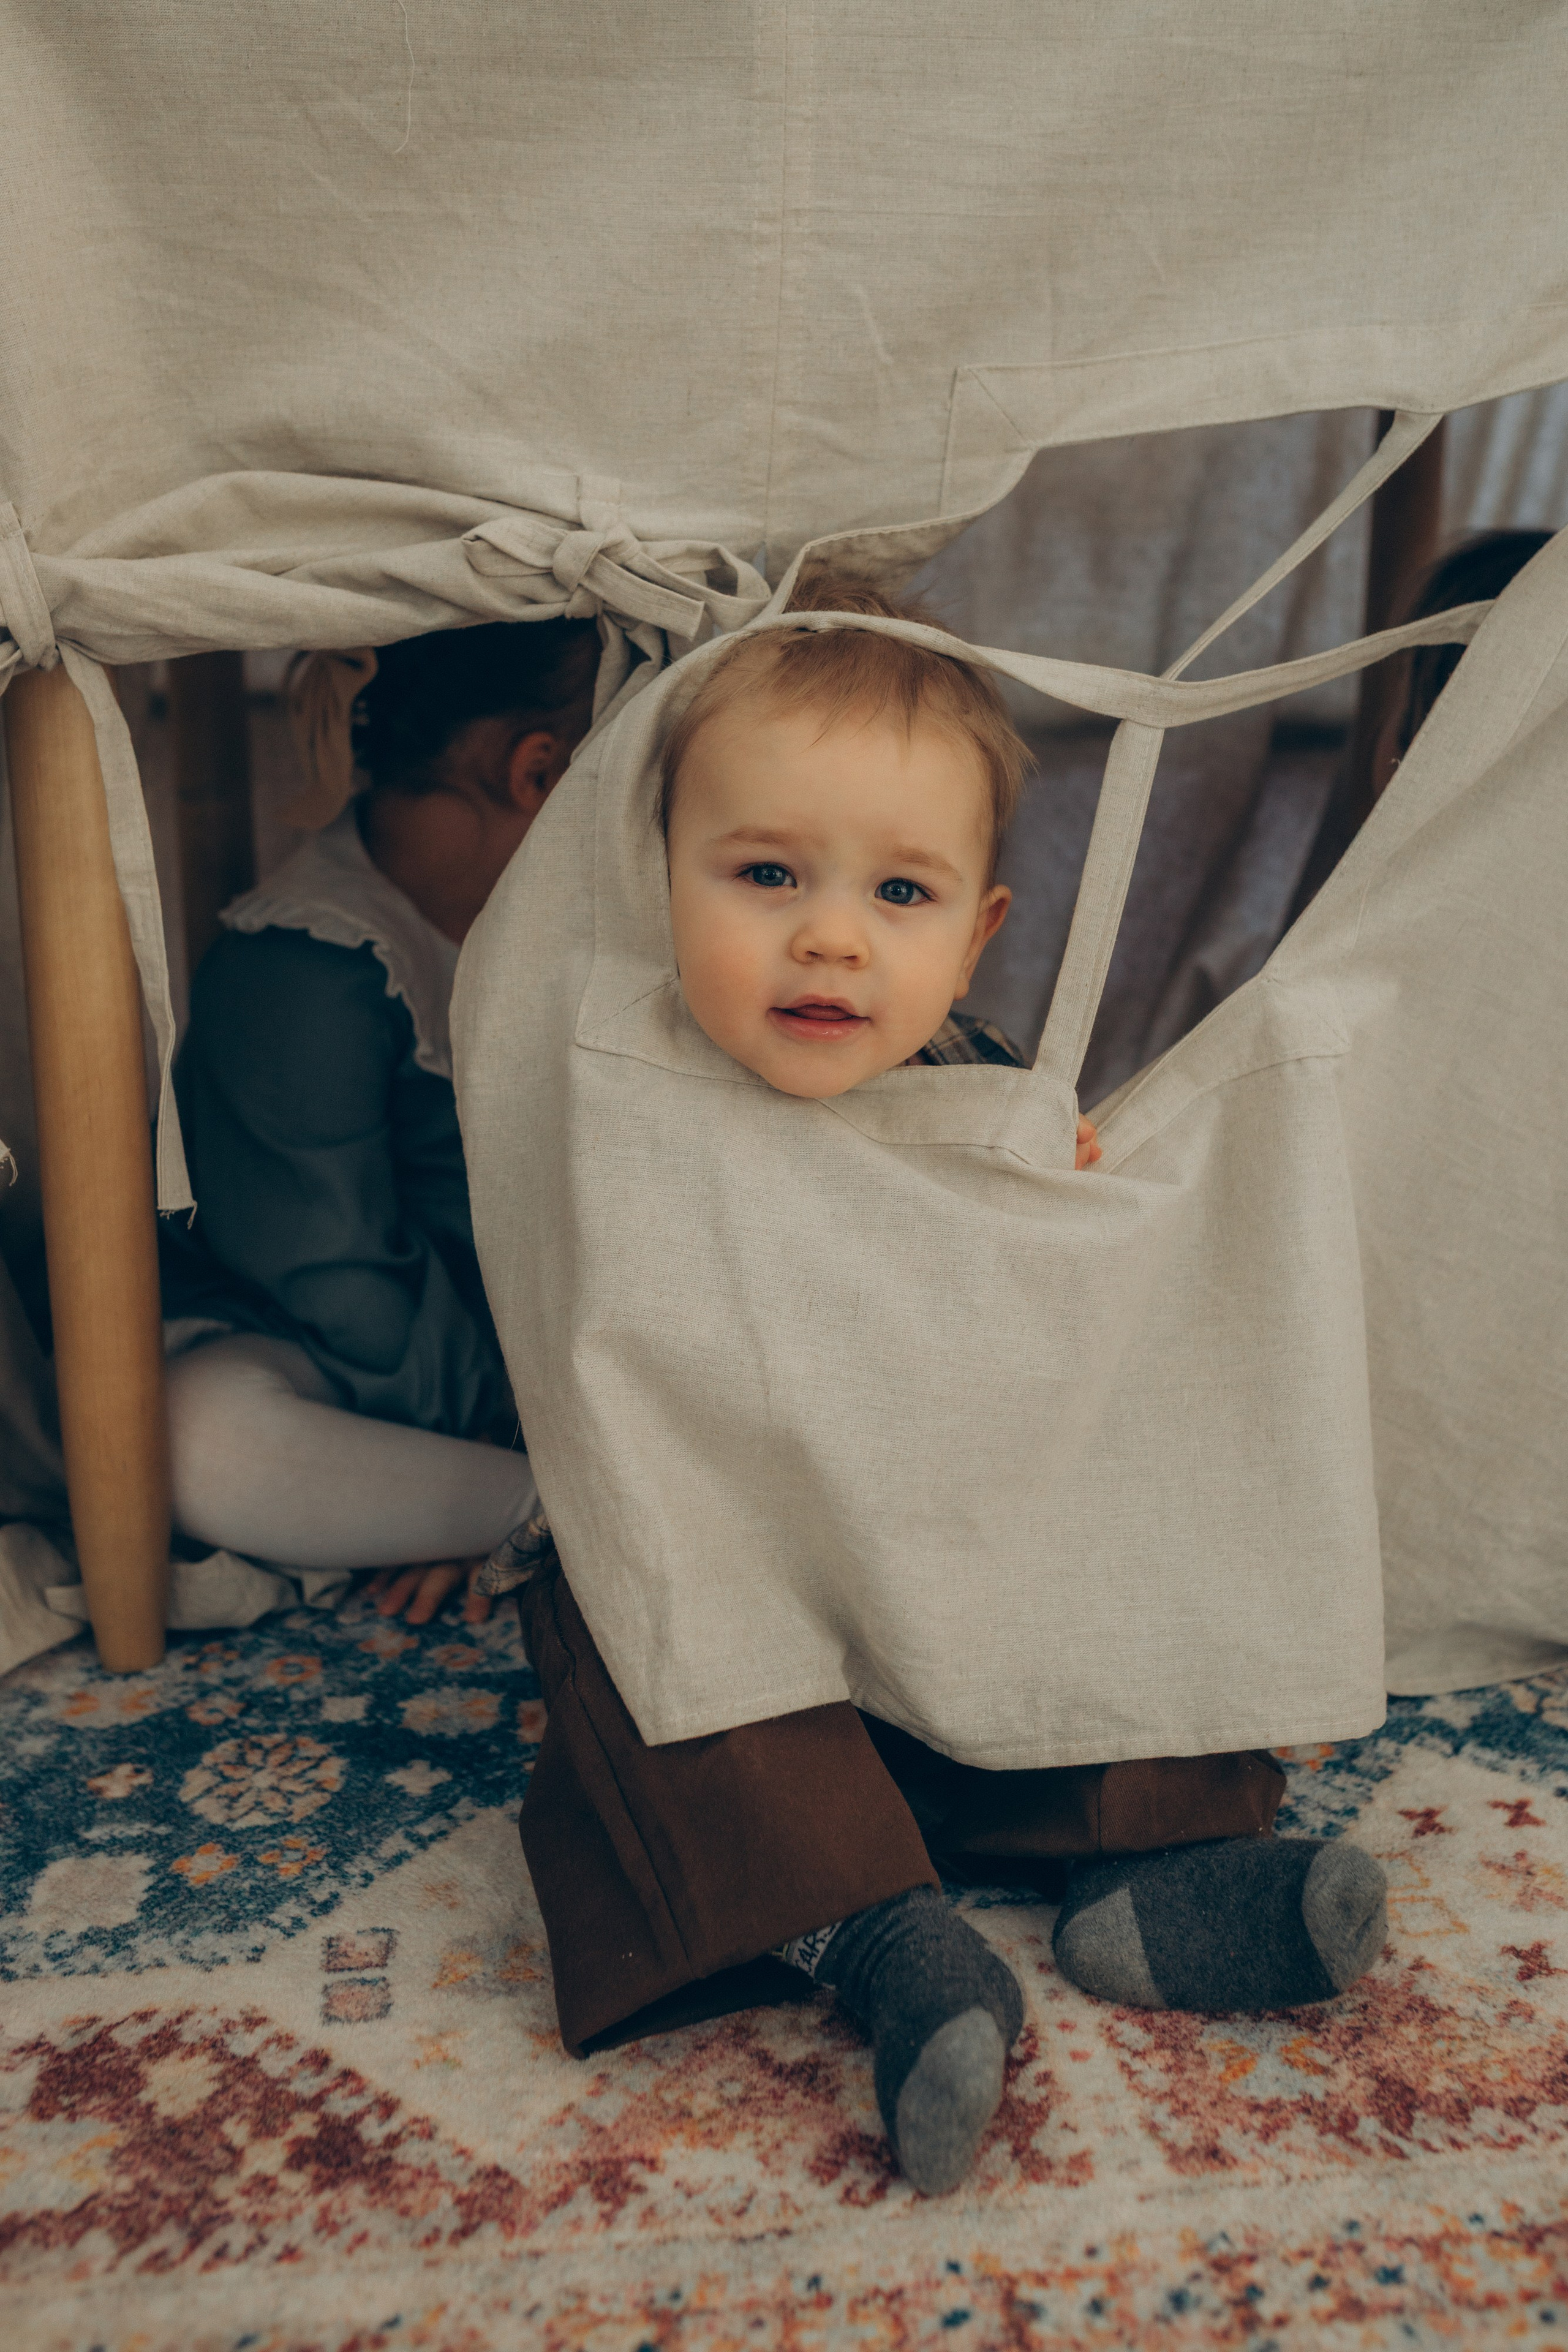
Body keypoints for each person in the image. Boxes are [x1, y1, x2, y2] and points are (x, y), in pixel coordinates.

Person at [499, 576, 1390, 2197]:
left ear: (979, 924)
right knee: (630, 1624)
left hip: (964, 1581)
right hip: (774, 1639)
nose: (830, 933)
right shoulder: (628, 1094)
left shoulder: (987, 1089)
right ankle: (885, 1941)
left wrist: (1073, 1213)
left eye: (898, 892)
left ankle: (1156, 1872)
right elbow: (611, 1372)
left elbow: (1056, 1348)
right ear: (660, 878)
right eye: (765, 873)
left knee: (1148, 1518)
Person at [161, 619, 598, 1624]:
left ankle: (491, 1500)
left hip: (523, 1342)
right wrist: (498, 1435)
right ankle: (540, 1514)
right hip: (335, 1342)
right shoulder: (305, 964)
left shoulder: (566, 930)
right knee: (198, 1437)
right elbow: (334, 1282)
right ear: (542, 773)